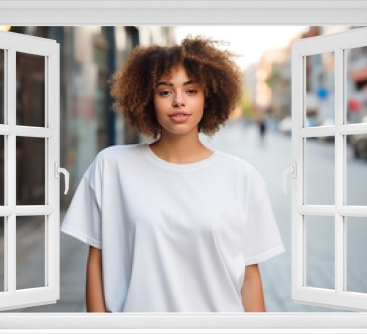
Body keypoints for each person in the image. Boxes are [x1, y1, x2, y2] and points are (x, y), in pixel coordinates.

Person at [60, 36, 285, 313]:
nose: (179, 101)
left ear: (208, 97)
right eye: (165, 91)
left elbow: (249, 277)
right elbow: (97, 261)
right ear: (147, 98)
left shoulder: (242, 177)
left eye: (191, 91)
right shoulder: (112, 166)